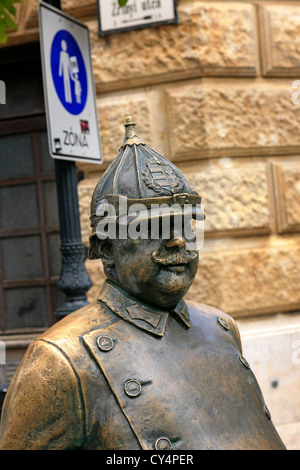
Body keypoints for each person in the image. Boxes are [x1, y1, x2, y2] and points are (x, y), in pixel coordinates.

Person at [0, 117, 286, 450]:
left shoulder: (221, 329)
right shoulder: (61, 361)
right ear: (107, 248)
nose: (178, 241)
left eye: (186, 226)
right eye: (153, 228)